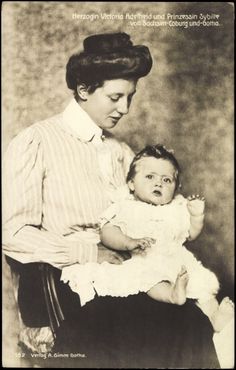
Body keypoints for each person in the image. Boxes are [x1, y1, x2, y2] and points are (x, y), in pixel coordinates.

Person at [3, 32, 220, 368]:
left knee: (191, 322)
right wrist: (90, 251)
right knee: (159, 328)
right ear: (84, 90)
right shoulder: (38, 142)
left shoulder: (121, 153)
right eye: (116, 97)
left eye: (130, 97)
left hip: (135, 275)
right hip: (72, 286)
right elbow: (11, 233)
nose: (125, 109)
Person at [62, 144, 234, 335]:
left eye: (166, 180)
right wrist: (128, 242)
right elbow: (107, 231)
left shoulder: (175, 208)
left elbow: (190, 234)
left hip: (177, 260)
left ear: (176, 188)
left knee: (200, 284)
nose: (158, 183)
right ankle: (171, 295)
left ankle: (214, 317)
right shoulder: (124, 207)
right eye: (150, 177)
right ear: (131, 183)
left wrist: (196, 216)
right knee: (149, 278)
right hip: (144, 257)